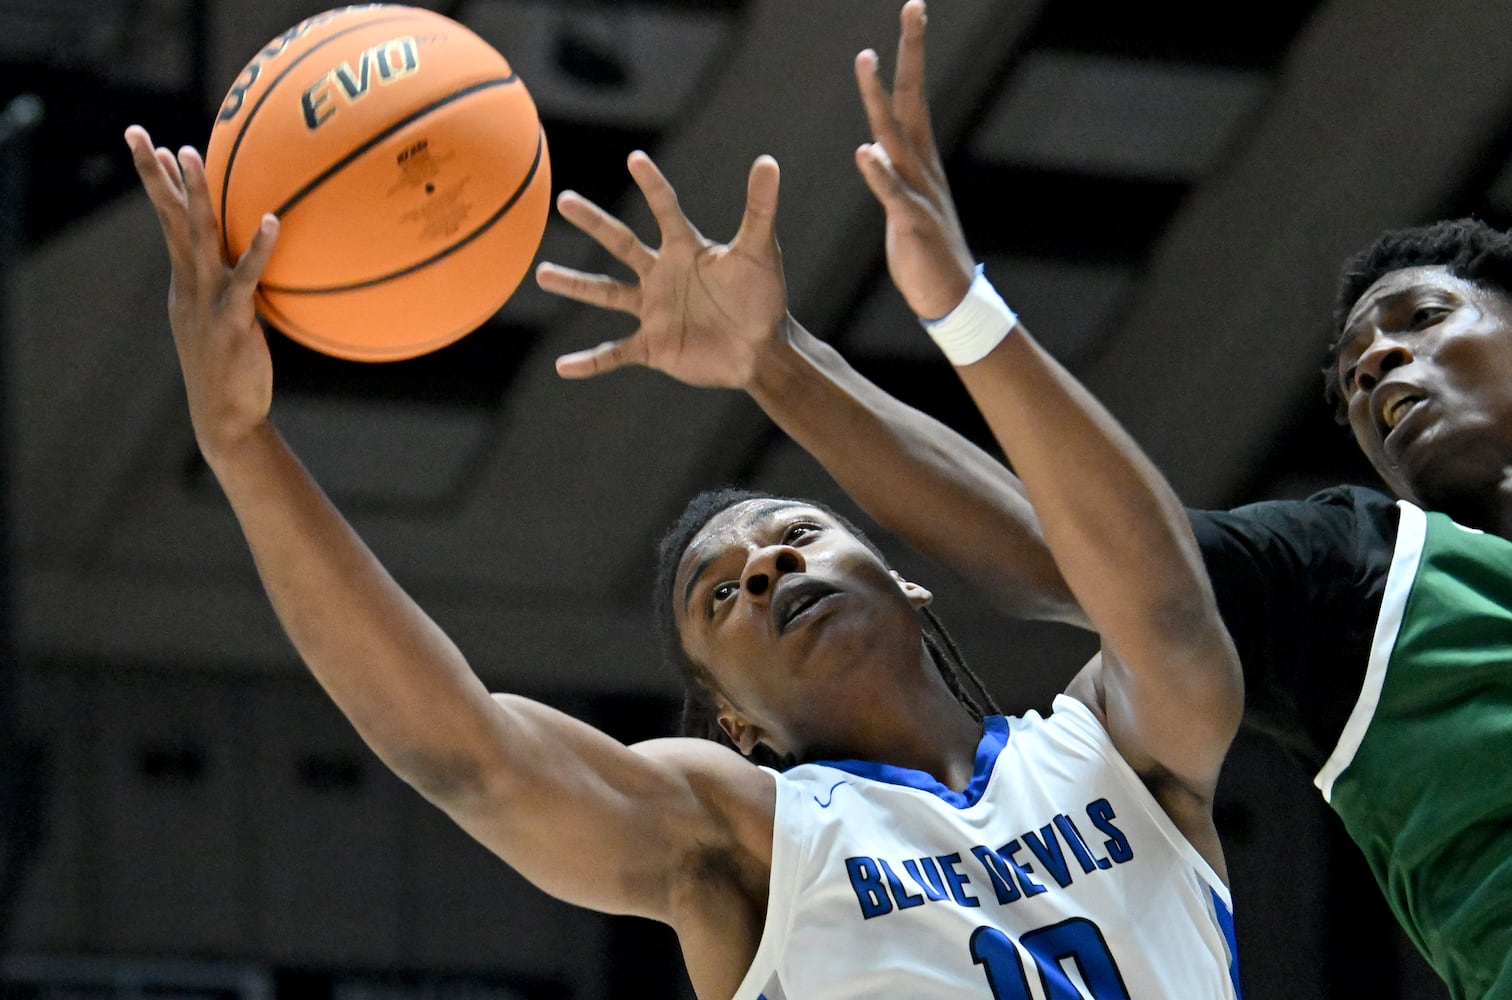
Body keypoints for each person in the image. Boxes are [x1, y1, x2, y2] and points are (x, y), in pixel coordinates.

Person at [124, 35, 1246, 996]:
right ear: (733, 725)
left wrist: (940, 310)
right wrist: (240, 441)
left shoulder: (1113, 745)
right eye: (722, 595)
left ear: (908, 579)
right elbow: (469, 756)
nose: (762, 568)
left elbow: (1161, 597)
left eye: (794, 536)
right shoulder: (745, 833)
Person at [537, 3, 1512, 997]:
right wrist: (785, 363)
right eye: (1351, 377)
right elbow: (1063, 551)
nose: (1380, 363)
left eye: (1425, 319)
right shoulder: (1358, 566)